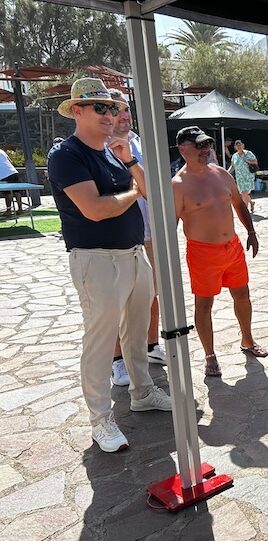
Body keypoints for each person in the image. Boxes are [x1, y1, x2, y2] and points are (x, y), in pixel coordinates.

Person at [47, 77, 172, 453]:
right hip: (96, 259)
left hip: (133, 254)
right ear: (78, 111)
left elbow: (156, 193)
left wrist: (131, 161)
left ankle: (143, 393)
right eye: (99, 107)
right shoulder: (66, 155)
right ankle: (100, 419)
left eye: (112, 107)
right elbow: (96, 209)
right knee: (101, 342)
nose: (109, 114)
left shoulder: (114, 151)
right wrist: (134, 191)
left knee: (137, 333)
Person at [172, 126, 268, 377]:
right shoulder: (178, 185)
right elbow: (170, 224)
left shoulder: (222, 174)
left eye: (207, 145)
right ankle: (210, 355)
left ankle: (247, 339)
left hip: (232, 248)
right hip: (202, 253)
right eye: (199, 146)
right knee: (204, 304)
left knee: (242, 295)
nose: (205, 150)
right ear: (183, 149)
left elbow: (238, 204)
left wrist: (252, 233)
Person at [106, 88, 167, 387]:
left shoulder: (138, 142)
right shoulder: (101, 147)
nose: (125, 115)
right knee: (120, 300)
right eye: (117, 109)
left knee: (153, 292)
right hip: (121, 235)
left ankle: (151, 345)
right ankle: (118, 361)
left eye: (127, 108)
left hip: (151, 230)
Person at [227, 140, 257, 211]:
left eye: (240, 145)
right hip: (239, 178)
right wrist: (227, 172)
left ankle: (245, 210)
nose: (239, 147)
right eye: (237, 145)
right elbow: (233, 166)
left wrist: (247, 160)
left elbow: (255, 162)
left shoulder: (248, 153)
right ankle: (251, 202)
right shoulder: (234, 156)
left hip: (248, 176)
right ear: (235, 147)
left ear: (243, 145)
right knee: (244, 193)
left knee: (244, 193)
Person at [0, 147, 21, 214]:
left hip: (4, 174)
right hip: (13, 172)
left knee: (8, 193)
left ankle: (8, 210)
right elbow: (10, 160)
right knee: (17, 192)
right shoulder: (1, 151)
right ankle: (20, 209)